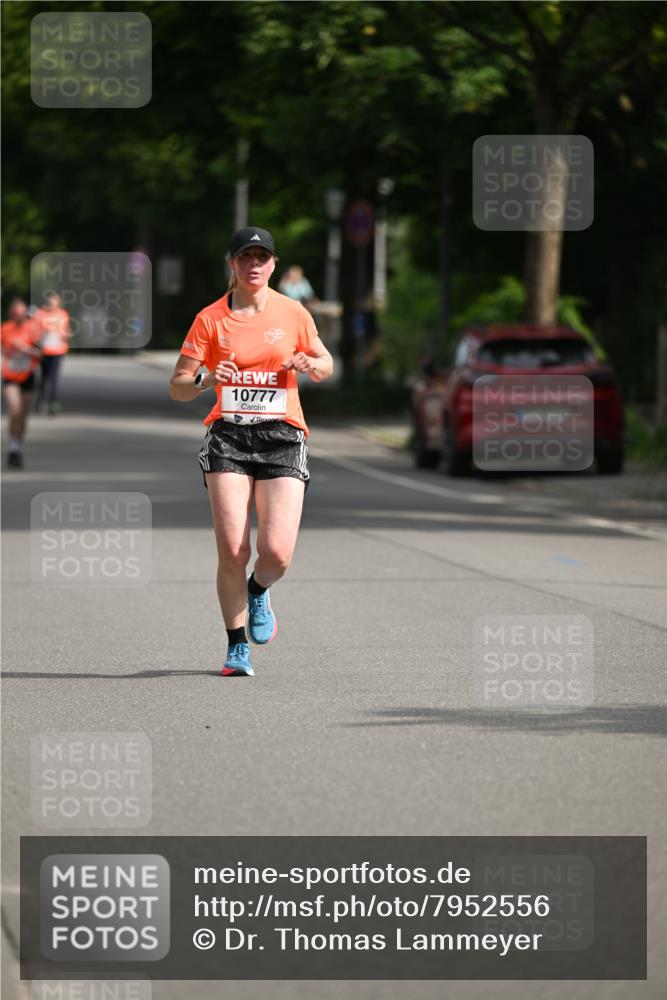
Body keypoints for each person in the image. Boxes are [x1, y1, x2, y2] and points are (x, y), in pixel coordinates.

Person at [169, 227, 334, 677]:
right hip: (229, 437)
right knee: (232, 548)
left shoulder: (293, 312)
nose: (254, 265)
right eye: (246, 257)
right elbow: (178, 387)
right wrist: (207, 380)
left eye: (262, 257)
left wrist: (309, 363)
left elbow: (325, 362)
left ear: (274, 265)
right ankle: (236, 645)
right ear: (233, 264)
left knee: (277, 553)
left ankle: (259, 589)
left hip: (282, 435)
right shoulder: (211, 319)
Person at [1, 297, 42, 468]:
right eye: (15, 314)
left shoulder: (33, 329)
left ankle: (19, 445)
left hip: (27, 375)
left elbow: (41, 353)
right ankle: (12, 447)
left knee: (23, 414)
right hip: (10, 375)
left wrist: (26, 350)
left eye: (22, 313)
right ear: (11, 314)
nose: (19, 316)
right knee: (14, 409)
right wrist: (10, 350)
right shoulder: (5, 329)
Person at [34, 291, 71, 414]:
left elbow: (66, 331)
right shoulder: (40, 314)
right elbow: (34, 331)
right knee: (44, 377)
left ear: (58, 302)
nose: (52, 302)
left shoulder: (62, 314)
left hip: (57, 350)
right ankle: (40, 402)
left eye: (54, 300)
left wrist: (65, 335)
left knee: (54, 377)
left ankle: (53, 403)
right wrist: (41, 337)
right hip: (44, 351)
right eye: (50, 300)